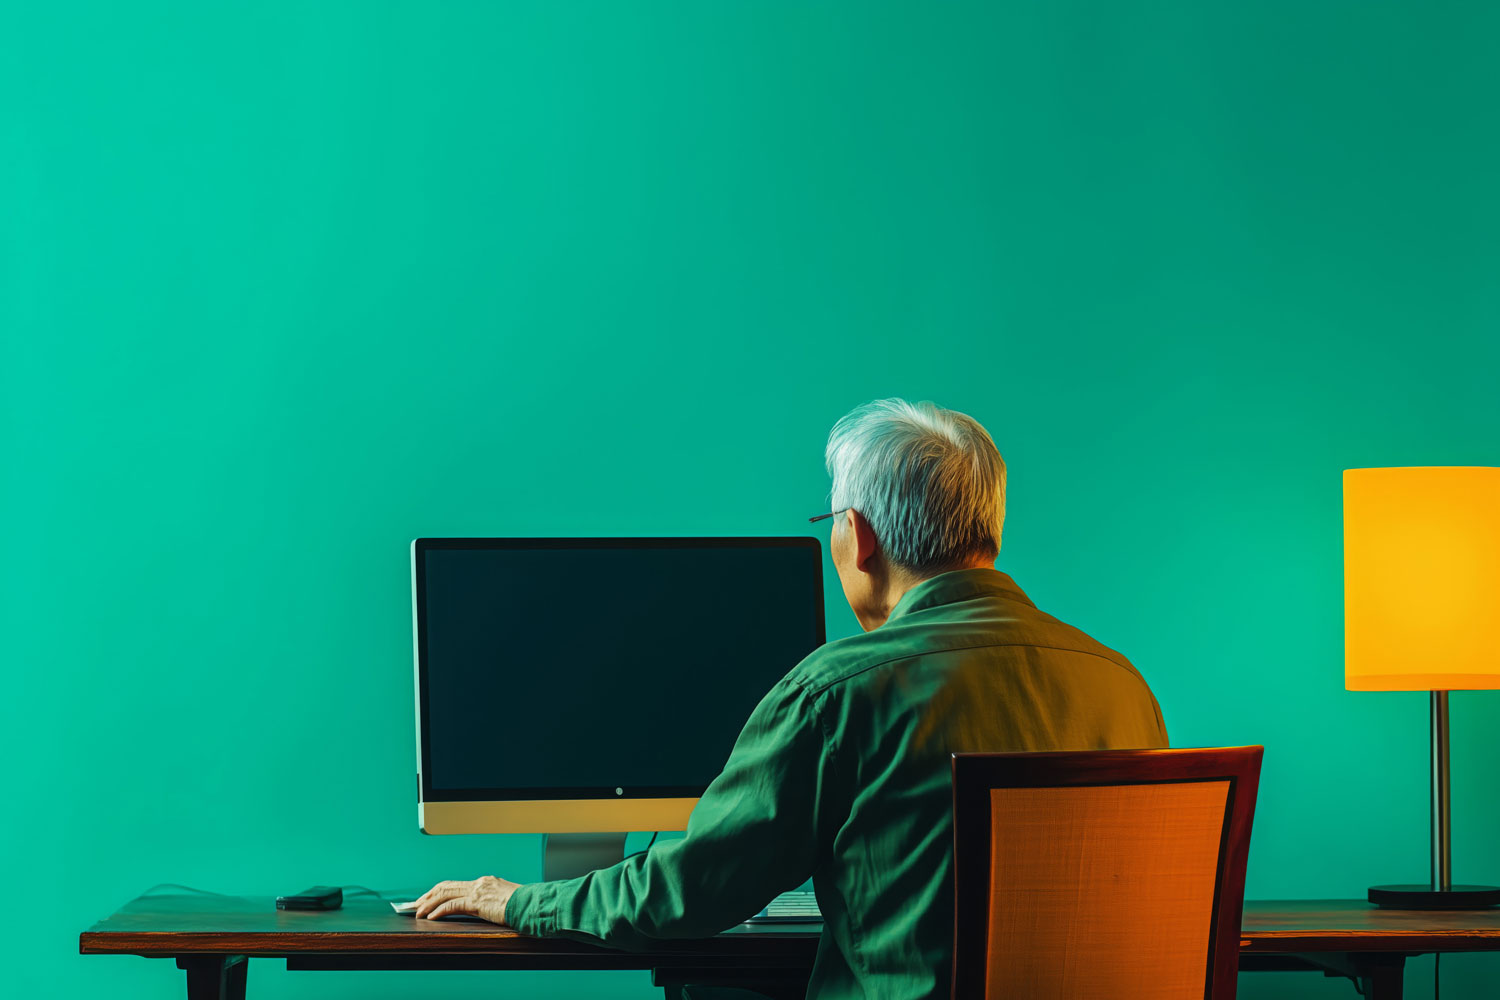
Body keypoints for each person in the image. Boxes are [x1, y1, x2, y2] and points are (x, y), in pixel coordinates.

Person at [414, 398, 1168, 1000]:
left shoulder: (838, 693)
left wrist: (515, 900)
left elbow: (682, 898)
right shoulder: (1121, 685)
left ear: (858, 535)